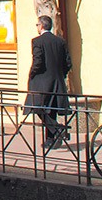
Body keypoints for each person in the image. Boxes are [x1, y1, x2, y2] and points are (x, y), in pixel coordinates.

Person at [26, 15, 73, 153]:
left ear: (41, 26)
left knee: (37, 107)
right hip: (57, 81)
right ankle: (50, 139)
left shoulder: (37, 41)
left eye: (37, 25)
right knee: (51, 109)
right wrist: (61, 75)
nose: (37, 27)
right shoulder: (60, 41)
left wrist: (32, 74)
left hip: (42, 82)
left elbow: (38, 61)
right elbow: (68, 63)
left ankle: (56, 129)